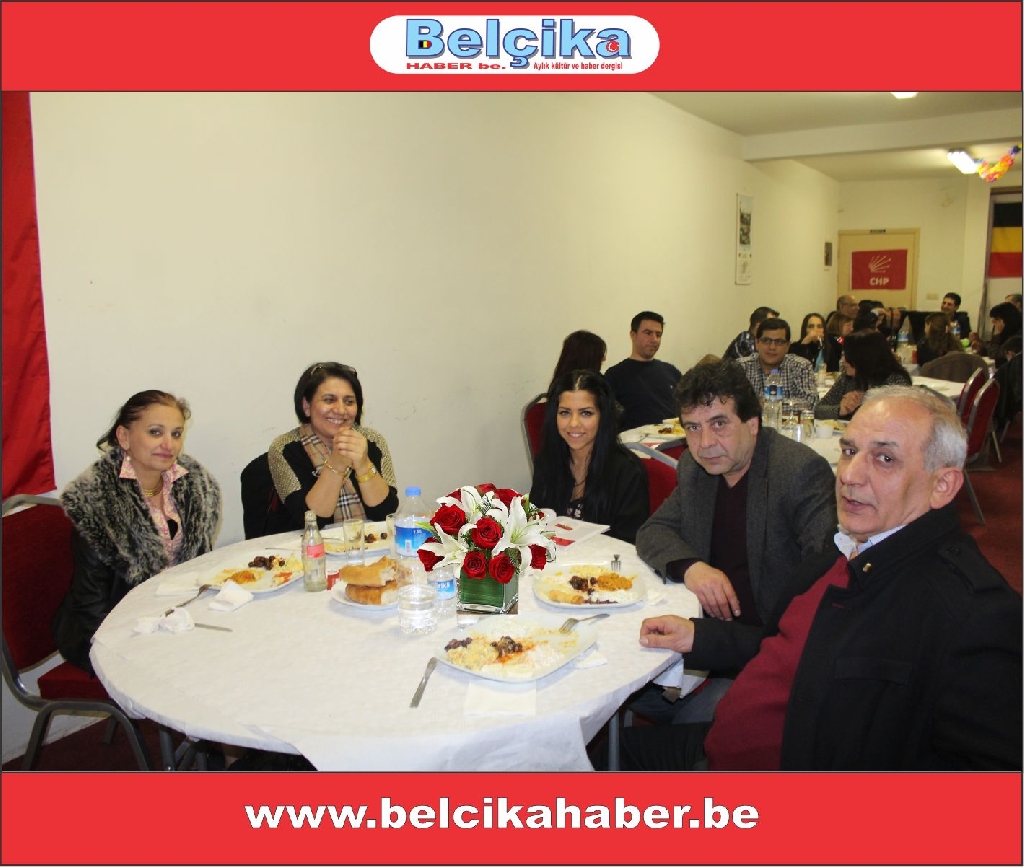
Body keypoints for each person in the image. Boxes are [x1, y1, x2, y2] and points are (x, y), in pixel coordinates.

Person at [619, 386, 1022, 770]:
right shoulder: (848, 544)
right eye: (849, 451)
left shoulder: (973, 616)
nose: (849, 475)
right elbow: (796, 647)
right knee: (600, 758)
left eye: (885, 458)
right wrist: (700, 637)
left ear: (943, 485)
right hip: (719, 745)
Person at [629, 359, 835, 723]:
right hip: (703, 633)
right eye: (693, 428)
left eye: (719, 424)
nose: (705, 443)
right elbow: (653, 531)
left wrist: (708, 641)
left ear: (752, 424)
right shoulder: (697, 469)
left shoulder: (797, 473)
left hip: (765, 653)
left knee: (693, 726)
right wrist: (693, 568)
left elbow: (822, 599)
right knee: (620, 684)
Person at [52, 390, 222, 674]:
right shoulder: (96, 501)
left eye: (176, 434)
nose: (169, 444)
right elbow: (90, 603)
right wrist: (129, 654)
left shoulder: (194, 486)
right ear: (124, 437)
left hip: (177, 616)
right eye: (155, 432)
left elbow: (199, 568)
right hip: (112, 631)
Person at [268, 362, 398, 531]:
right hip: (311, 545)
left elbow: (386, 513)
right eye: (329, 400)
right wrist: (336, 464)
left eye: (349, 401)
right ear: (306, 406)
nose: (341, 410)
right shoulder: (284, 448)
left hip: (371, 542)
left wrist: (363, 464)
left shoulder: (372, 440)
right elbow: (312, 520)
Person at [530, 370, 649, 544]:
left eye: (586, 413)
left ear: (603, 416)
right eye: (565, 413)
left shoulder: (628, 472)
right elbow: (536, 524)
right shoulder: (547, 462)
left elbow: (627, 545)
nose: (574, 423)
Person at [603, 311, 683, 430]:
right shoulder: (614, 376)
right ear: (633, 335)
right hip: (634, 440)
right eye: (648, 333)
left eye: (658, 334)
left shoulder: (672, 372)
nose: (654, 339)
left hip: (674, 438)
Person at [815, 329, 911, 420]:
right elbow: (818, 410)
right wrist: (840, 409)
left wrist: (864, 402)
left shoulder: (895, 382)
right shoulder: (848, 378)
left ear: (863, 358)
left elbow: (894, 418)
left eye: (847, 355)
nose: (843, 360)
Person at [738, 317, 819, 411]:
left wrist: (767, 405)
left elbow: (812, 403)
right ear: (757, 343)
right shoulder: (741, 367)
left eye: (779, 342)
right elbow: (733, 404)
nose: (772, 347)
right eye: (766, 341)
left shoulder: (800, 366)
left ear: (787, 346)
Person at [969, 301, 1022, 369]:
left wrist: (997, 335)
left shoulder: (1018, 337)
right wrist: (981, 347)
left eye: (996, 319)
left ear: (1006, 319)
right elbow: (993, 349)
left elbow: (994, 354)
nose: (993, 322)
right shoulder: (1006, 331)